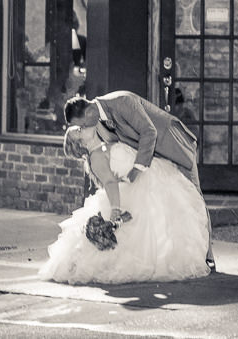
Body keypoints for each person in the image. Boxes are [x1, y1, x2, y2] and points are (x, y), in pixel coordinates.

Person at [38, 120, 212, 284]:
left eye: (80, 127)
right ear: (81, 144)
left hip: (146, 180)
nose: (82, 127)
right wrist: (115, 209)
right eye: (79, 131)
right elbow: (110, 183)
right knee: (147, 230)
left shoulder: (103, 145)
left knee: (161, 223)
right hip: (135, 190)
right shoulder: (97, 157)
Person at [63, 91, 214, 269]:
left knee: (192, 197)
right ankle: (179, 256)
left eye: (81, 125)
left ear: (88, 113)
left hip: (173, 145)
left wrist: (137, 168)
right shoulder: (98, 121)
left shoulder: (122, 102)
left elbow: (149, 132)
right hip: (153, 157)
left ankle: (207, 257)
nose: (83, 129)